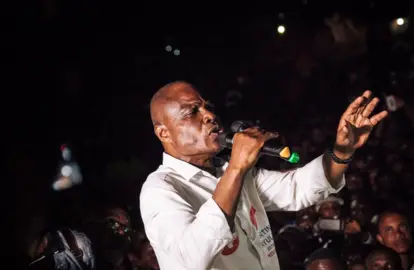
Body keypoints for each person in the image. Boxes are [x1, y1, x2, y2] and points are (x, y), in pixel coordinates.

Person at [140, 81, 387, 269]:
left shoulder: (229, 172)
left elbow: (297, 189)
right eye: (192, 111)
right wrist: (237, 167)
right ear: (163, 132)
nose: (209, 115)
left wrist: (343, 149)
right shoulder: (161, 189)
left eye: (207, 107)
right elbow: (190, 258)